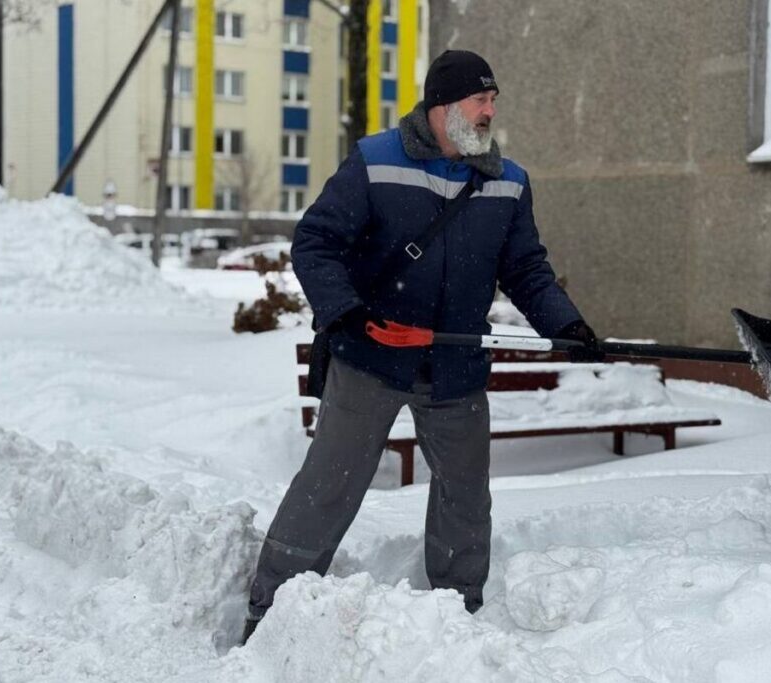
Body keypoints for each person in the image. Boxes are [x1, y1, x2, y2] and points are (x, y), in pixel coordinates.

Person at [242, 50, 602, 643]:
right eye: (478, 100)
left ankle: (456, 617)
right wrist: (348, 314)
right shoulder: (375, 161)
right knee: (328, 487)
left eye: (493, 101)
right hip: (371, 358)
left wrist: (567, 325)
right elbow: (315, 243)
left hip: (455, 366)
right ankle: (270, 609)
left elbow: (527, 269)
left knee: (465, 495)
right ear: (441, 106)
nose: (489, 112)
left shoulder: (507, 180)